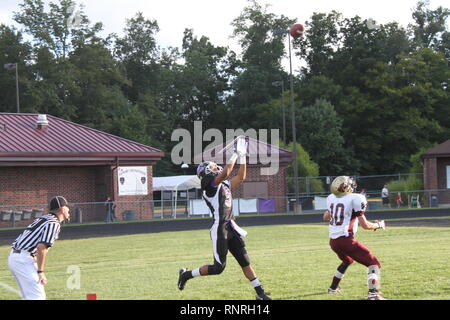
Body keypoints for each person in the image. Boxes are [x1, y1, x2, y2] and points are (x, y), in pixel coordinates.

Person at [177, 139, 271, 300]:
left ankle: (260, 294)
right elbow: (227, 171)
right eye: (212, 167)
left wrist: (243, 157)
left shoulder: (223, 185)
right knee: (218, 267)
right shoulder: (209, 187)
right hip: (220, 228)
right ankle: (186, 275)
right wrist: (236, 153)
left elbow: (241, 176)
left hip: (231, 226)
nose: (215, 167)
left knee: (244, 260)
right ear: (206, 172)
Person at [323, 176, 386, 300]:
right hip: (346, 240)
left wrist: (337, 213)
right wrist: (379, 225)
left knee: (347, 260)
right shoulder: (355, 198)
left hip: (333, 242)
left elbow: (325, 217)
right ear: (346, 187)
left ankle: (333, 288)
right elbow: (365, 225)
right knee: (373, 263)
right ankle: (373, 294)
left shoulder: (331, 198)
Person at [8, 196, 70, 300]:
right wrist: (40, 272)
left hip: (18, 257)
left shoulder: (44, 218)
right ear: (62, 209)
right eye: (67, 207)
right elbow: (41, 248)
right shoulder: (53, 223)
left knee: (32, 296)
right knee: (37, 297)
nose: (69, 210)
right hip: (23, 259)